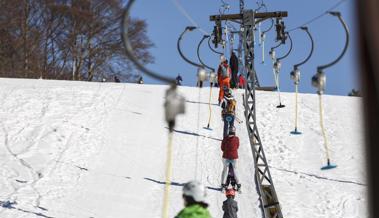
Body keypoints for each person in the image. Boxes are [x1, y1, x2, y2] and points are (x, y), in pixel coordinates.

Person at [221, 126, 241, 191]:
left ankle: (223, 185)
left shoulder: (225, 138)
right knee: (235, 170)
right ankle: (238, 185)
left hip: (226, 156)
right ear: (234, 131)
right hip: (234, 157)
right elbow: (237, 146)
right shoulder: (237, 139)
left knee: (225, 170)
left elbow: (222, 148)